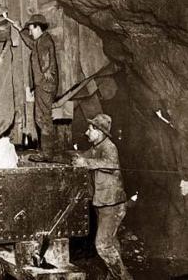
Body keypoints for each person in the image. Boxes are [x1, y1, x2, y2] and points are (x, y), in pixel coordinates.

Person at [72, 114, 133, 280]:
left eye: (90, 129)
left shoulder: (109, 147)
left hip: (113, 204)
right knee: (111, 242)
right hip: (103, 203)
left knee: (103, 245)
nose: (86, 132)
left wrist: (87, 163)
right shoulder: (95, 148)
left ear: (98, 131)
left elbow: (112, 164)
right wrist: (76, 158)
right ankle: (113, 277)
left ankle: (125, 278)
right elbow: (83, 157)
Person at [18, 14, 58, 160]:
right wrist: (19, 28)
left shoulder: (45, 42)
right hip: (42, 85)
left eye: (31, 29)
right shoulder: (40, 41)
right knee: (41, 117)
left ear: (38, 27)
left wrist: (46, 72)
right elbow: (30, 42)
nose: (30, 32)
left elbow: (46, 61)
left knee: (43, 118)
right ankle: (45, 151)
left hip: (44, 85)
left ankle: (47, 154)